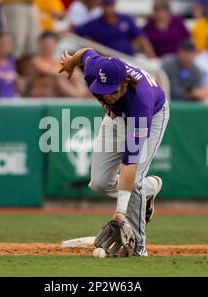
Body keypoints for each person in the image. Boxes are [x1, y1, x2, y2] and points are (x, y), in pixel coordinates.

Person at [58, 47, 169, 257]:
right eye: (102, 89)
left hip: (152, 116)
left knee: (134, 182)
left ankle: (139, 247)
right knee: (99, 183)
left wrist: (120, 213)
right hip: (115, 119)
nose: (106, 94)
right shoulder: (94, 69)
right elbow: (86, 53)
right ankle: (149, 189)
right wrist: (72, 62)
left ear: (125, 83)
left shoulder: (141, 103)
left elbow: (129, 164)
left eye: (111, 89)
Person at [74, 0, 156, 58]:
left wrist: (152, 58)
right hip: (108, 61)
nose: (109, 8)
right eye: (106, 5)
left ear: (114, 5)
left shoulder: (126, 19)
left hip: (130, 59)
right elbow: (76, 31)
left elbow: (141, 38)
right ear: (102, 6)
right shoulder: (95, 24)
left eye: (111, 5)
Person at [28, 31, 89, 97]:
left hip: (62, 91)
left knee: (76, 78)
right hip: (43, 91)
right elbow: (50, 72)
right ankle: (78, 97)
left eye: (50, 43)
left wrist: (72, 73)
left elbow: (76, 73)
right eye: (46, 43)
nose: (48, 46)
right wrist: (69, 73)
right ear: (40, 44)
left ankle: (79, 95)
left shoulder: (59, 61)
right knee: (59, 80)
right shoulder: (36, 60)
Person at [0, 33, 24, 99]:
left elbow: (19, 87)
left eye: (8, 44)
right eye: (3, 43)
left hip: (11, 99)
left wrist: (19, 82)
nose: (6, 46)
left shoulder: (11, 63)